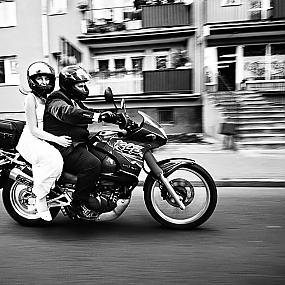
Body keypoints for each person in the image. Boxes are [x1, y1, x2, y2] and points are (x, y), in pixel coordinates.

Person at [43, 65, 116, 214]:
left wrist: (112, 115)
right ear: (69, 85)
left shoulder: (73, 99)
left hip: (76, 143)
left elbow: (85, 112)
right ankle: (79, 203)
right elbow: (68, 112)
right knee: (92, 164)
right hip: (63, 147)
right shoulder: (56, 100)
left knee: (105, 154)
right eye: (80, 85)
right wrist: (97, 116)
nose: (84, 88)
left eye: (84, 85)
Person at [16, 61, 72, 221]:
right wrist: (58, 140)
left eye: (47, 79)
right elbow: (33, 129)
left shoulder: (48, 99)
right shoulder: (30, 99)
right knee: (54, 160)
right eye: (40, 79)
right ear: (32, 80)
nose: (44, 82)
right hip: (32, 140)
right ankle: (40, 198)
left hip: (45, 137)